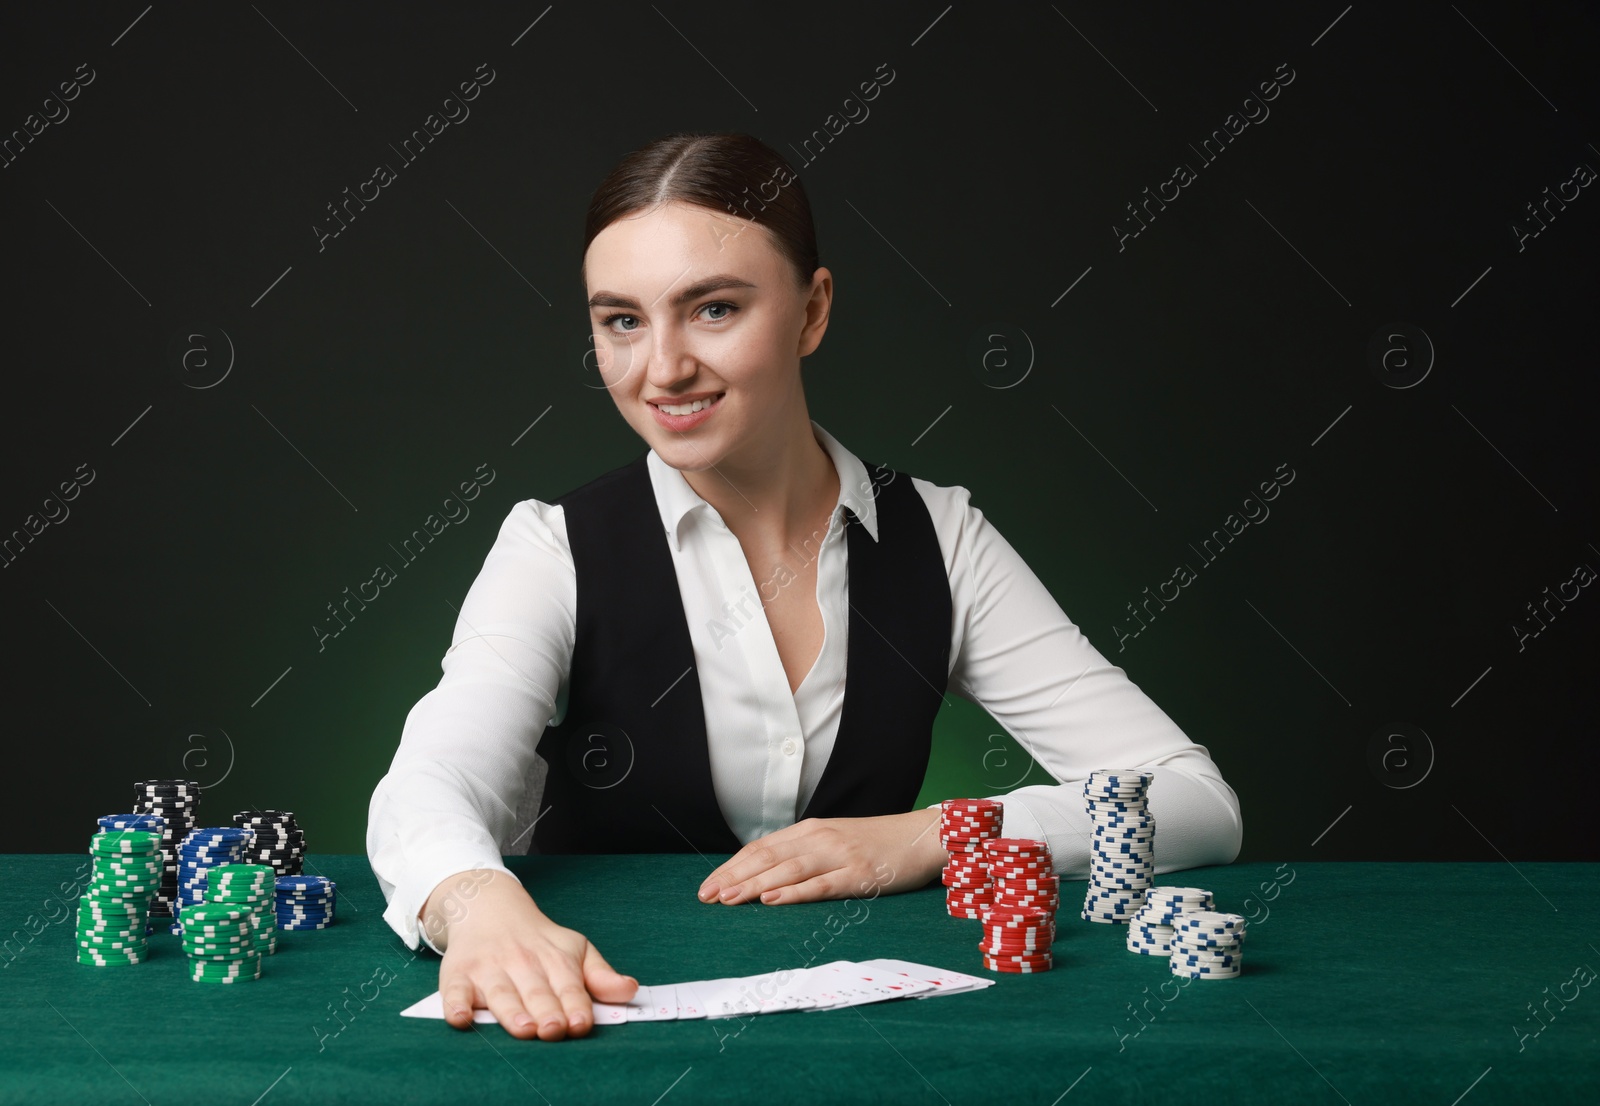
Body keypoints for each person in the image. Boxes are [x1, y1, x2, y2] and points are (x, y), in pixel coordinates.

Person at [367, 131, 1242, 1042]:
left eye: (712, 309)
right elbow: (428, 781)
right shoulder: (553, 548)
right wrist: (474, 904)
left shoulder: (941, 536)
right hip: (603, 1039)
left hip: (881, 1049)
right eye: (621, 320)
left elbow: (1193, 801)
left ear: (813, 310)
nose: (662, 368)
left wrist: (926, 836)